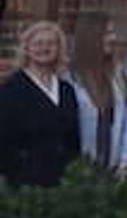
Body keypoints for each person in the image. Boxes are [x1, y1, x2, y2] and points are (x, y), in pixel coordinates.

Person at [0, 21, 83, 188]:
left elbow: (73, 138)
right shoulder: (12, 90)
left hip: (63, 180)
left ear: (59, 49)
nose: (44, 48)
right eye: (38, 43)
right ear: (27, 49)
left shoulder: (66, 90)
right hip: (25, 182)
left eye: (51, 43)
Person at [69, 11, 127, 176]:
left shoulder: (119, 74)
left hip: (114, 169)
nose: (113, 38)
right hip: (79, 171)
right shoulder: (70, 78)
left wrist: (125, 162)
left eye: (112, 32)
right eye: (107, 33)